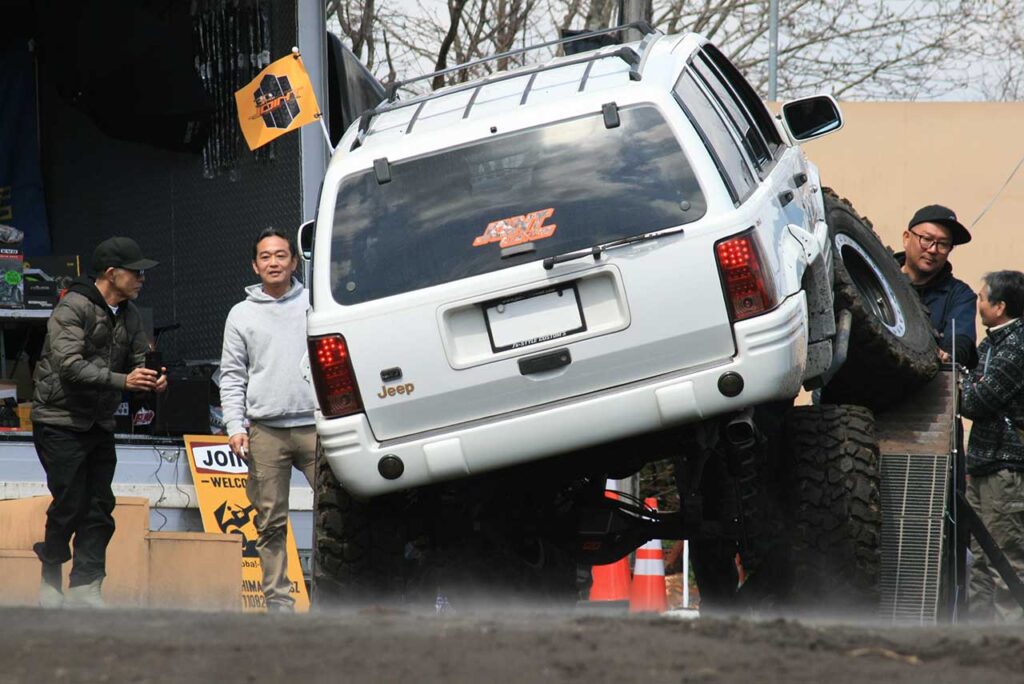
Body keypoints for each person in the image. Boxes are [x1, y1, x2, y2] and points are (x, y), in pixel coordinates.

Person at [31, 236, 166, 609]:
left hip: (98, 423)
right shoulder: (72, 308)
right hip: (59, 420)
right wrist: (124, 380)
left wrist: (153, 377)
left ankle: (87, 587)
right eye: (135, 272)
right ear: (111, 273)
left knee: (99, 506)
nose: (142, 279)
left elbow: (140, 356)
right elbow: (69, 366)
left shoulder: (131, 314)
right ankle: (50, 577)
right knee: (70, 502)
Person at [220, 227, 317, 613]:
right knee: (269, 522)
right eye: (265, 256)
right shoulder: (241, 314)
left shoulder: (316, 303)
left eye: (281, 255)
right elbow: (231, 375)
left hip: (316, 427)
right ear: (255, 265)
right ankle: (279, 603)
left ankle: (336, 595)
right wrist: (234, 426)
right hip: (264, 432)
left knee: (334, 514)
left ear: (294, 261)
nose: (273, 262)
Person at [959, 270, 1024, 623]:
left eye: (982, 298)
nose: (977, 303)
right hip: (983, 465)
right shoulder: (992, 343)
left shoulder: (1018, 346)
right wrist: (970, 382)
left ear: (999, 306)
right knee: (981, 559)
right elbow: (972, 384)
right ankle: (978, 640)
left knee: (1006, 559)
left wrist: (967, 383)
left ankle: (1010, 642)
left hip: (1006, 470)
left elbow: (976, 399)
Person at [897, 204, 978, 367]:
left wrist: (948, 355)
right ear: (906, 238)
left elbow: (960, 339)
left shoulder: (960, 295)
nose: (933, 250)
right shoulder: (877, 276)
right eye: (926, 239)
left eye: (943, 244)